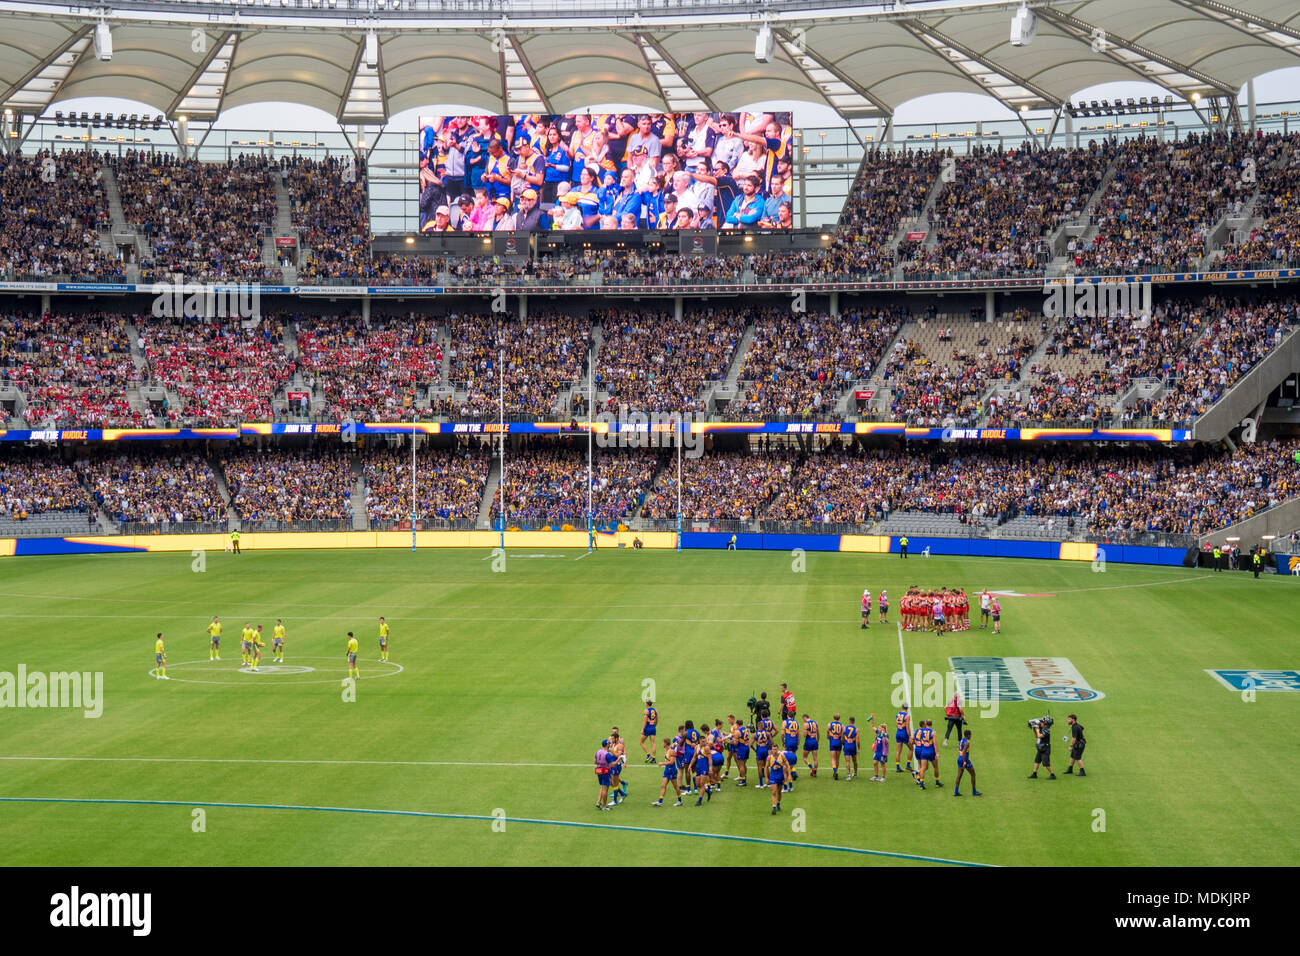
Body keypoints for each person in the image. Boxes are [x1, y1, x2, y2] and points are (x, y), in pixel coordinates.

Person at [652, 736, 683, 807]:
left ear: (666, 743)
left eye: (663, 742)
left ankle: (680, 801)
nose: (662, 744)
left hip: (671, 770)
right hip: (667, 770)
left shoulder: (671, 751)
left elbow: (672, 762)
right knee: (663, 785)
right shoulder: (667, 750)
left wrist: (662, 763)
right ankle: (660, 802)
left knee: (675, 786)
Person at [954, 730, 981, 796]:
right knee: (973, 774)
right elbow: (964, 752)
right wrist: (965, 762)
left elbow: (960, 750)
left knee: (959, 776)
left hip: (959, 759)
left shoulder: (961, 740)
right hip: (964, 759)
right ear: (968, 735)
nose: (971, 736)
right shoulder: (967, 742)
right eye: (970, 735)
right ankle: (974, 791)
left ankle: (956, 791)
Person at [766, 746, 791, 815]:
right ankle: (774, 808)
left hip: (780, 777)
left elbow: (788, 765)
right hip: (773, 777)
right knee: (773, 792)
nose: (774, 750)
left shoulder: (782, 756)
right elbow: (766, 768)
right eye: (773, 749)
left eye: (776, 749)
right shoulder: (769, 757)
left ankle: (778, 804)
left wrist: (789, 775)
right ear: (772, 750)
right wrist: (766, 778)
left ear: (778, 749)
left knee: (779, 792)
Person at [595, 739, 616, 811]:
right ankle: (604, 806)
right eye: (609, 744)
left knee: (603, 787)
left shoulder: (598, 752)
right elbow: (612, 764)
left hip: (598, 770)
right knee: (605, 789)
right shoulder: (607, 754)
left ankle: (599, 802)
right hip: (605, 771)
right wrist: (618, 759)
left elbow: (595, 762)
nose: (610, 744)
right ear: (607, 745)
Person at [609, 729, 628, 804]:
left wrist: (611, 751)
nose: (611, 740)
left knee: (615, 783)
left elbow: (618, 755)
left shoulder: (620, 745)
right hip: (612, 765)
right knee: (612, 782)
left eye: (613, 738)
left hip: (617, 765)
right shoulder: (613, 745)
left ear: (616, 738)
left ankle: (615, 801)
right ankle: (623, 794)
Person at [693, 737, 713, 805]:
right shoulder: (696, 747)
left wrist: (710, 768)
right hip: (698, 768)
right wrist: (690, 765)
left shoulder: (707, 748)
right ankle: (708, 791)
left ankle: (699, 801)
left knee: (702, 784)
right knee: (697, 784)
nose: (704, 743)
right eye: (703, 741)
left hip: (704, 768)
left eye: (705, 741)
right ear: (699, 741)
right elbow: (694, 757)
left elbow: (710, 758)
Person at [894, 703, 913, 773]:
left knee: (898, 751)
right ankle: (908, 765)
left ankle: (898, 767)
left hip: (898, 733)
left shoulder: (898, 714)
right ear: (907, 708)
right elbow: (907, 727)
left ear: (902, 707)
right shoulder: (907, 716)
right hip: (904, 734)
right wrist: (910, 736)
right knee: (911, 749)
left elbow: (897, 724)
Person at [732, 719, 751, 787]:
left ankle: (743, 781)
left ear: (737, 724)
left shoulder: (737, 731)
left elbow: (735, 743)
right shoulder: (746, 730)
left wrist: (733, 740)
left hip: (741, 748)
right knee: (744, 764)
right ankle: (744, 778)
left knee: (741, 765)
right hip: (746, 748)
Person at [827, 713, 845, 780]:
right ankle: (836, 771)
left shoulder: (829, 724)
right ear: (839, 718)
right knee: (837, 759)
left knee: (833, 759)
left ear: (833, 717)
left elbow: (827, 733)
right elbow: (843, 734)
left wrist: (829, 738)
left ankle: (835, 771)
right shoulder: (842, 725)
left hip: (832, 742)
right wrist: (842, 741)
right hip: (839, 742)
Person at [802, 713, 820, 777]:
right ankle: (815, 772)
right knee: (815, 758)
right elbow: (818, 733)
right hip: (814, 742)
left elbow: (804, 735)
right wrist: (817, 741)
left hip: (808, 742)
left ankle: (811, 767)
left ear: (805, 718)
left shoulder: (806, 724)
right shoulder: (816, 723)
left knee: (804, 757)